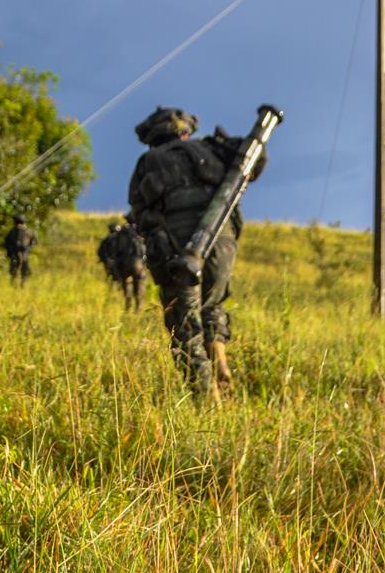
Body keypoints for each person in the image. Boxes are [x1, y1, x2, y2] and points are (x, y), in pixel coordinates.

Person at [127, 106, 265, 396]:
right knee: (213, 304)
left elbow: (139, 211)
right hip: (222, 241)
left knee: (184, 321)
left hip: (177, 250)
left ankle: (206, 401)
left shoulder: (149, 161)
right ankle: (220, 359)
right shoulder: (210, 149)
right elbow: (254, 161)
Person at [97, 218, 147, 311]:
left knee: (124, 282)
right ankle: (139, 307)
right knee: (139, 283)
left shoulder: (117, 237)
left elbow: (105, 252)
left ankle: (128, 305)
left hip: (123, 264)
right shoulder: (137, 233)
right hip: (138, 262)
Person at [3, 214, 37, 286]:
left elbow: (33, 242)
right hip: (16, 254)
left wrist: (28, 248)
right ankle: (16, 284)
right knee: (15, 270)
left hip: (22, 254)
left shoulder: (26, 231)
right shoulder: (14, 231)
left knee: (23, 270)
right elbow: (7, 242)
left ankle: (22, 284)